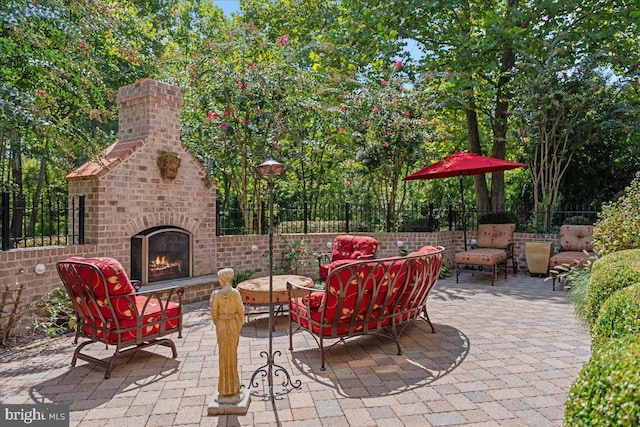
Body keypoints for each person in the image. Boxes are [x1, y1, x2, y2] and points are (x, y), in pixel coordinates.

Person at [209, 268, 244, 403]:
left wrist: (219, 324)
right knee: (232, 354)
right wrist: (238, 325)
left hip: (222, 325)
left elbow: (214, 313)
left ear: (223, 279)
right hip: (233, 324)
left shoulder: (217, 295)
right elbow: (241, 310)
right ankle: (234, 387)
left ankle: (225, 389)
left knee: (223, 355)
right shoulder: (235, 293)